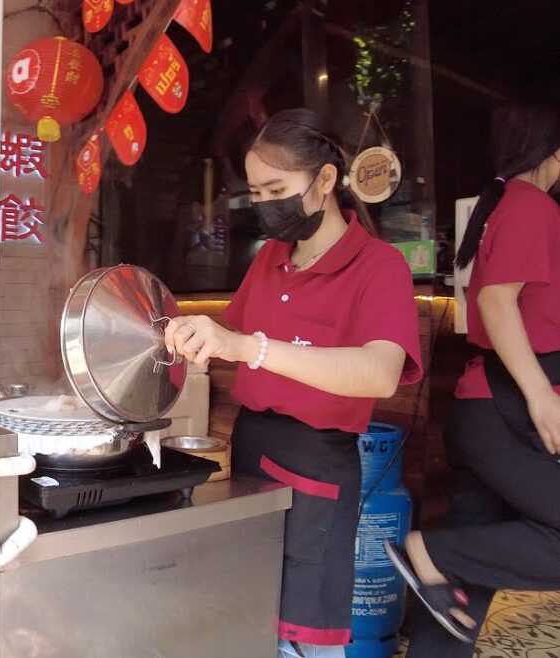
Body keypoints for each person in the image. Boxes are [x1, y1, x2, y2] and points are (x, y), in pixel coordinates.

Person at [163, 109, 423, 658]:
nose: (265, 204)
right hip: (254, 448)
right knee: (250, 613)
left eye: (277, 188)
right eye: (256, 192)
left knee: (303, 636)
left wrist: (249, 348)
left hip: (318, 465)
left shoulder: (379, 266)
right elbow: (230, 329)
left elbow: (378, 372)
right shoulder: (272, 258)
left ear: (326, 181)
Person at [393, 101, 560, 654]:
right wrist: (540, 396)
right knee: (456, 559)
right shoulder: (532, 204)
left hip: (488, 409)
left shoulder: (506, 205)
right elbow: (495, 301)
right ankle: (433, 553)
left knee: (459, 597)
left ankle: (441, 563)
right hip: (505, 412)